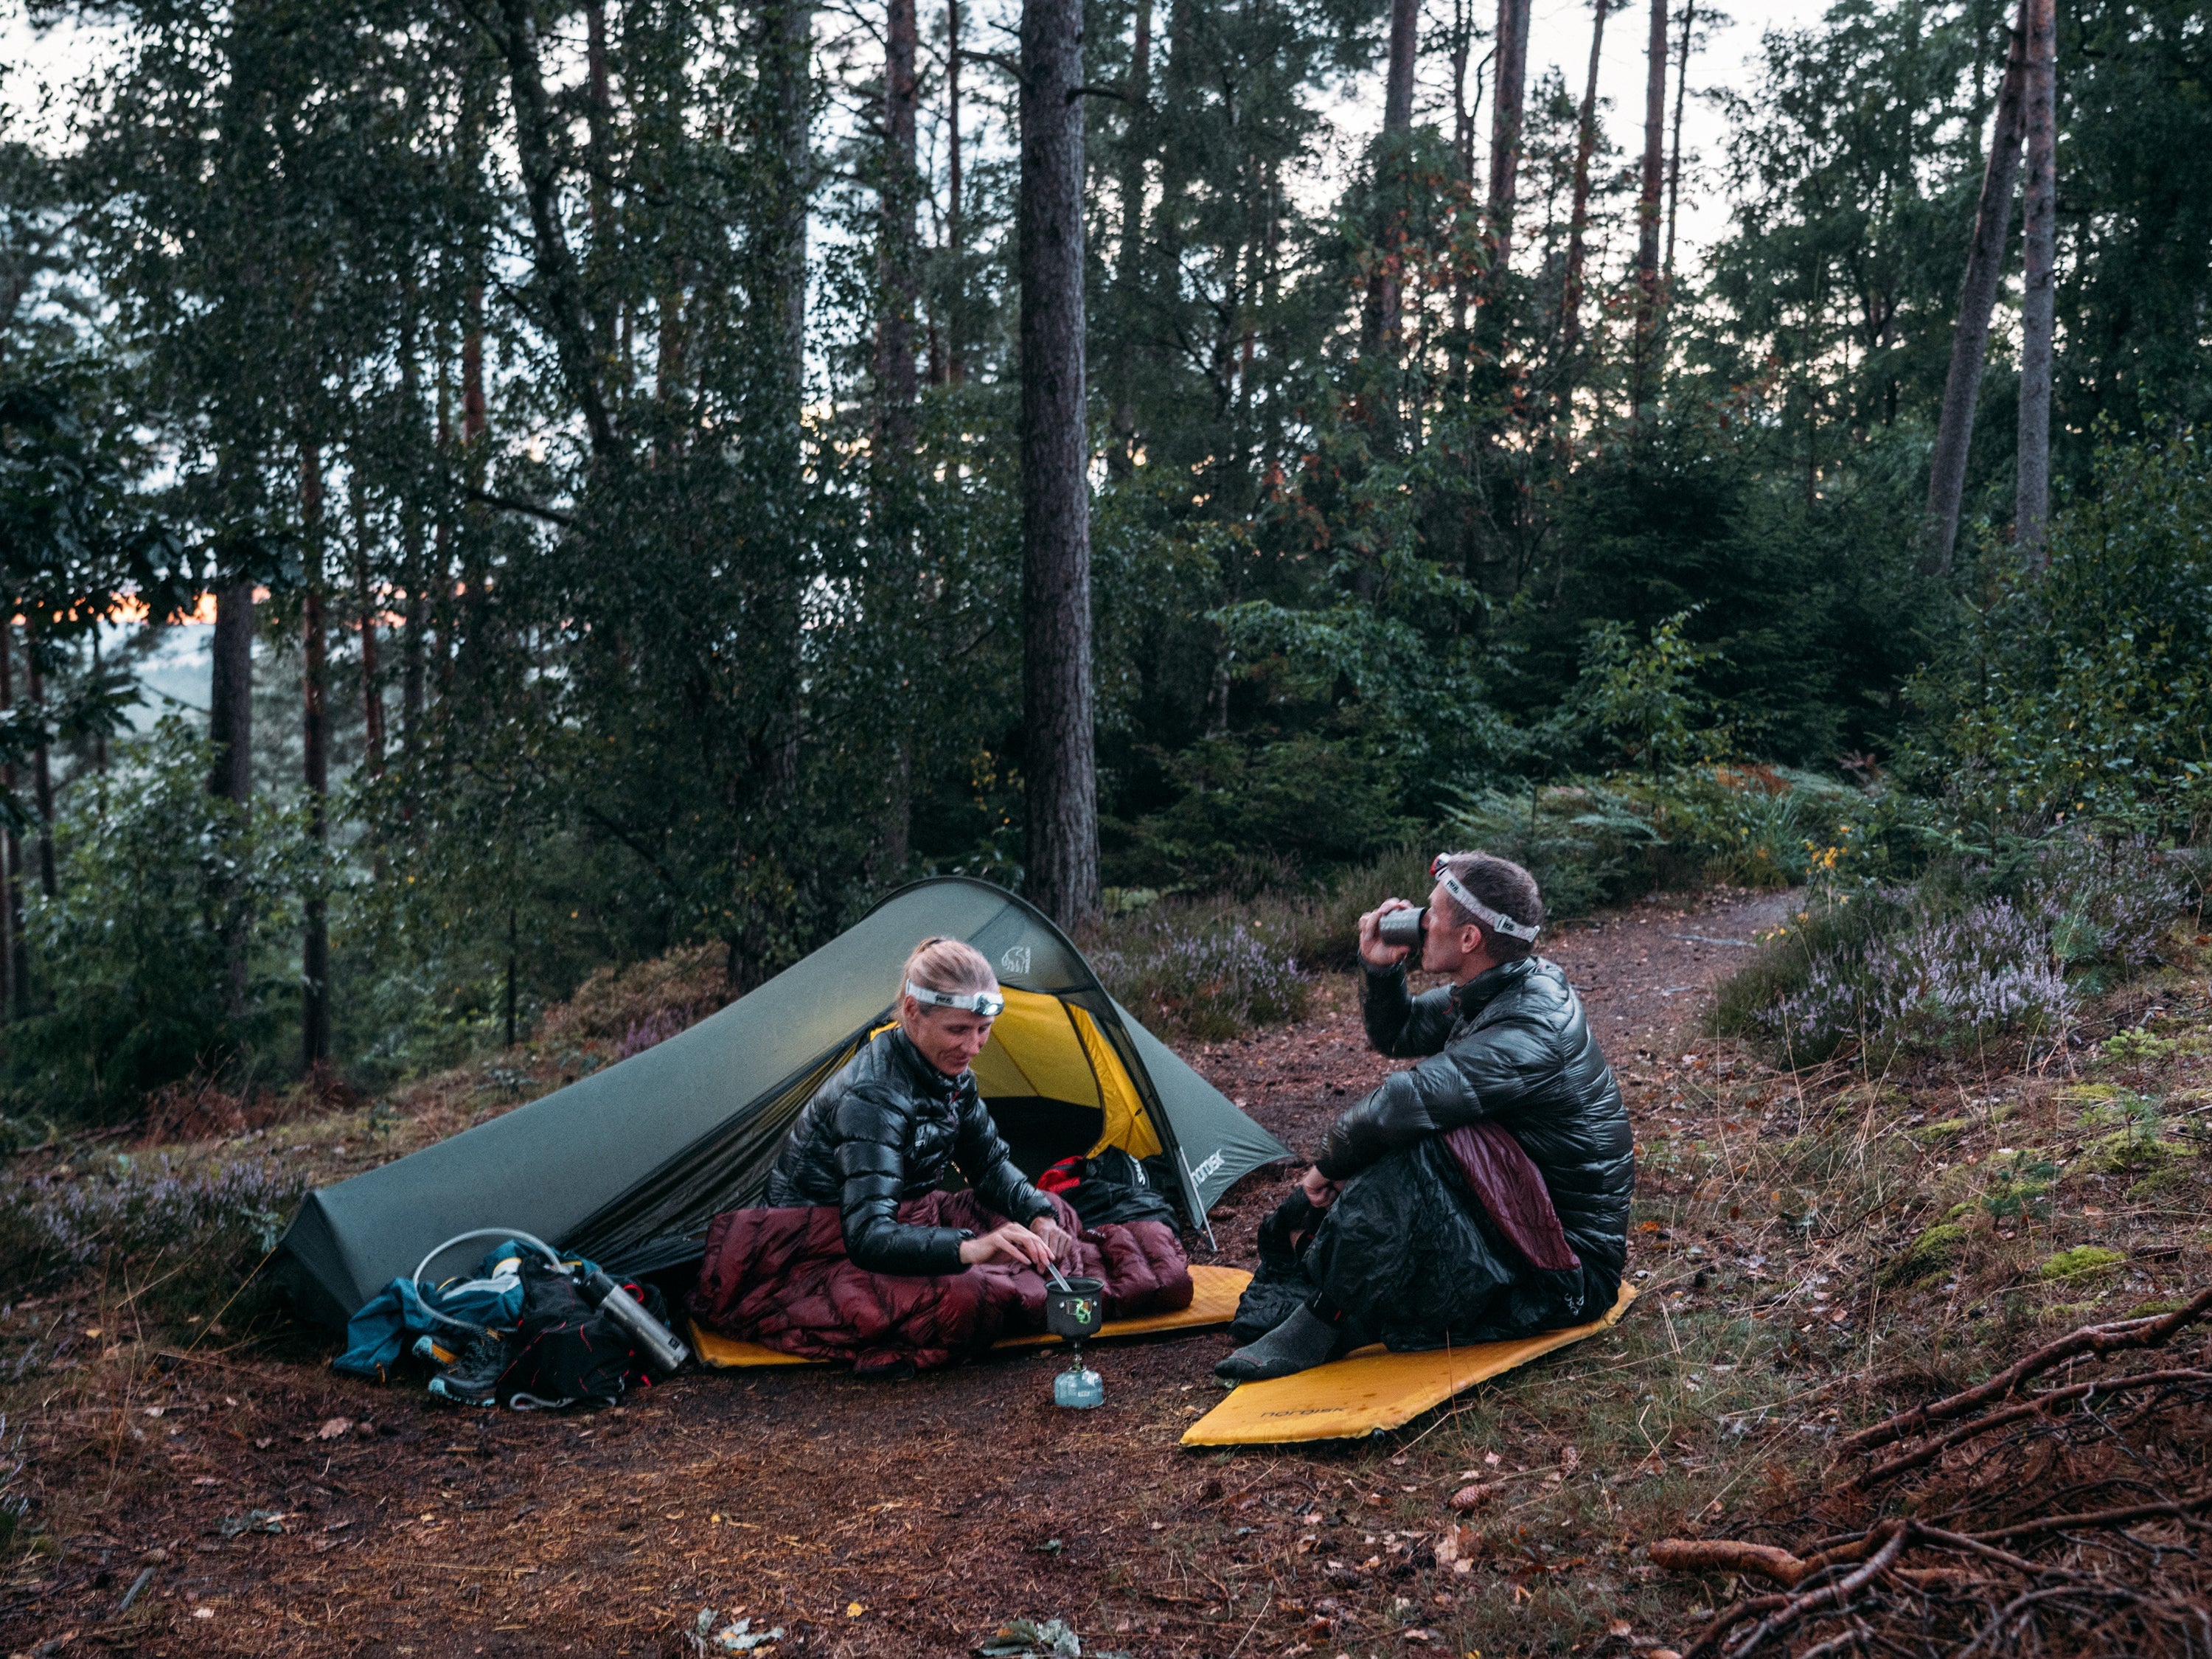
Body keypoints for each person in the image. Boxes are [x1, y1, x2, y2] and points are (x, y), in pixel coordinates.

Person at [1216, 851, 1632, 1382]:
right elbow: (1401, 1032)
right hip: (1520, 1219)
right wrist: (1382, 969)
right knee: (1414, 1135)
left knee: (1419, 1145)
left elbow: (1398, 1104)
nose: (1418, 922)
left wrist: (1325, 1168)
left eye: (1430, 913)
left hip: (1565, 1274)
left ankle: (1330, 1315)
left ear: (1469, 940)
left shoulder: (1530, 1027)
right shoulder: (1501, 986)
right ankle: (1335, 1286)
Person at [764, 936, 1074, 1274]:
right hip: (812, 1239)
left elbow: (987, 1165)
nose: (973, 1047)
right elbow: (868, 1236)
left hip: (905, 1216)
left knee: (1056, 1216)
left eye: (983, 1029)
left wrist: (1038, 1216)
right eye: (957, 1029)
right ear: (912, 1011)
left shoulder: (953, 1078)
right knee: (976, 1291)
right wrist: (970, 1249)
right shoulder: (872, 1097)